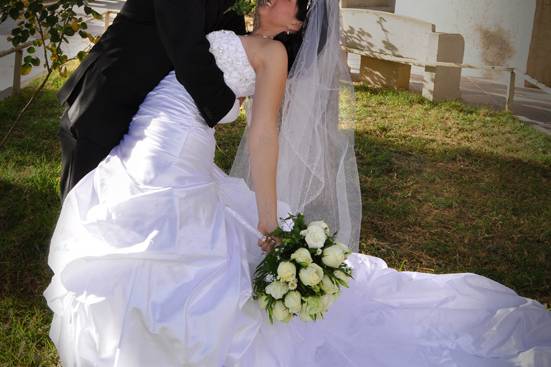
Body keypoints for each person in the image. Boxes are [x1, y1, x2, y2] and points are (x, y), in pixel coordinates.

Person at [44, 0, 551, 366]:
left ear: (298, 21)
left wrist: (269, 217)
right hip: (141, 129)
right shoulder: (229, 22)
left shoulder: (274, 55)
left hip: (173, 147)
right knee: (118, 222)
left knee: (151, 237)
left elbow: (264, 135)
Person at [55, 0, 303, 202]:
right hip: (111, 98)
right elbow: (186, 45)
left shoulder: (236, 9)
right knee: (84, 208)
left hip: (159, 122)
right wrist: (226, 107)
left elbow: (228, 51)